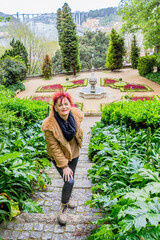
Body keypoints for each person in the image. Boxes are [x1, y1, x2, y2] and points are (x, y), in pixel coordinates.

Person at [41, 91, 84, 225]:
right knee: (69, 181)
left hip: (74, 152)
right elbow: (54, 148)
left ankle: (68, 195)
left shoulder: (75, 115)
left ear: (70, 105)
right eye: (60, 105)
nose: (64, 107)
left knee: (72, 176)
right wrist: (64, 166)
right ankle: (64, 206)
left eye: (66, 104)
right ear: (54, 107)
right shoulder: (49, 125)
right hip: (59, 156)